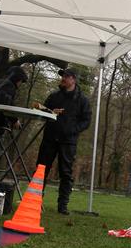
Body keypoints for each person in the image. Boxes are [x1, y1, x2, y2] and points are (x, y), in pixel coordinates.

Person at [35, 68, 91, 215]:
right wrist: (49, 111)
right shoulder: (53, 96)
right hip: (50, 138)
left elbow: (86, 121)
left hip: (68, 141)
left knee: (66, 173)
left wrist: (72, 130)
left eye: (66, 76)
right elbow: (42, 113)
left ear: (74, 79)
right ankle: (35, 201)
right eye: (62, 76)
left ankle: (62, 206)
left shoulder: (83, 100)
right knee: (41, 169)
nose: (63, 79)